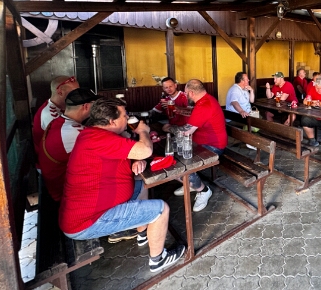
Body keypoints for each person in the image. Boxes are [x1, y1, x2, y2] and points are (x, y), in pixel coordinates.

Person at [59, 98, 186, 273]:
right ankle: (158, 260)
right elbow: (146, 150)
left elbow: (121, 154)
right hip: (87, 221)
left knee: (142, 184)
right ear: (112, 121)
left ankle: (143, 234)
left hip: (89, 210)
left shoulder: (92, 134)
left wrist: (136, 160)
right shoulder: (99, 139)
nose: (127, 118)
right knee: (161, 209)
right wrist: (143, 132)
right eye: (124, 115)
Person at [37, 88, 100, 203]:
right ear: (86, 106)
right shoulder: (72, 131)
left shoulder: (58, 121)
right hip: (64, 194)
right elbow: (106, 148)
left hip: (54, 184)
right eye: (94, 105)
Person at [174, 79, 224, 211]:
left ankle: (203, 190)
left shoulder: (204, 105)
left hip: (213, 146)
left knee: (179, 165)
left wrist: (168, 129)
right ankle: (191, 184)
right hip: (203, 142)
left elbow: (186, 131)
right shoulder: (205, 100)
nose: (185, 96)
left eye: (186, 93)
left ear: (191, 93)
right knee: (174, 157)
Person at [32, 75, 80, 159]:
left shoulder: (60, 106)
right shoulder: (50, 114)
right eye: (74, 92)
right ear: (60, 92)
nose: (78, 95)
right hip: (50, 162)